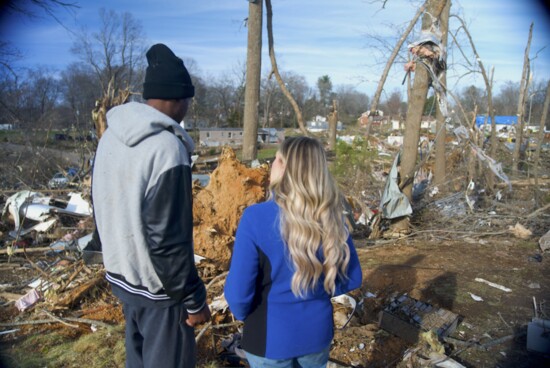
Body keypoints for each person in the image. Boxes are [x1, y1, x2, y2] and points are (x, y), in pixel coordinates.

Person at [92, 43, 211, 368]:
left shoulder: (111, 136)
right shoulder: (166, 150)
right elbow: (168, 240)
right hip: (161, 293)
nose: (188, 106)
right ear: (176, 99)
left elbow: (100, 200)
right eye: (188, 99)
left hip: (123, 278)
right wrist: (194, 299)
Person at [224, 136, 363, 368]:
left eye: (278, 159)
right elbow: (351, 278)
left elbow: (238, 295)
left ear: (289, 169)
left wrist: (244, 314)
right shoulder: (331, 217)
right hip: (316, 335)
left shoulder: (256, 218)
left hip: (269, 339)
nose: (271, 165)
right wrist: (317, 291)